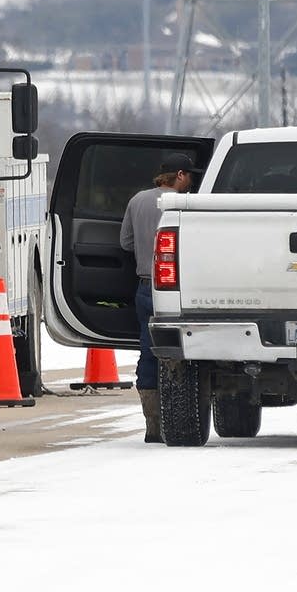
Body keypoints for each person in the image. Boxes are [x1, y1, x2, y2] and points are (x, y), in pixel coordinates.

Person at [118, 154, 197, 443]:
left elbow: (124, 242)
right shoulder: (184, 205)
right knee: (185, 352)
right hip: (177, 290)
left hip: (145, 287)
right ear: (179, 175)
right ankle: (179, 415)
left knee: (148, 352)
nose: (191, 181)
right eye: (189, 176)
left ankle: (153, 424)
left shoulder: (137, 200)